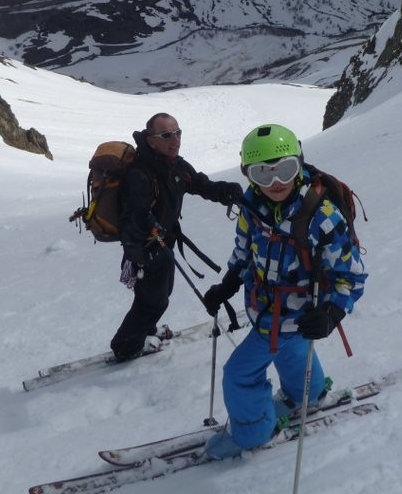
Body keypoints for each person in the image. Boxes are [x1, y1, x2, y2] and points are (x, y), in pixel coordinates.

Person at [201, 123, 367, 459]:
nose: (276, 183)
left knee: (239, 374)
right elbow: (244, 249)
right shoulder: (251, 208)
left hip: (292, 314)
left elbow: (352, 273)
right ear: (249, 176)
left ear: (300, 164)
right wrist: (229, 282)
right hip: (266, 306)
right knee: (291, 350)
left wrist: (333, 312)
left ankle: (253, 435)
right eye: (263, 173)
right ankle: (308, 394)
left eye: (285, 170)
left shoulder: (320, 217)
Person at [110, 113, 244, 362]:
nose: (176, 140)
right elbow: (133, 215)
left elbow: (200, 184)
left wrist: (225, 191)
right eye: (167, 135)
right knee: (154, 301)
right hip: (146, 248)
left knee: (156, 294)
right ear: (151, 141)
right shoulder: (139, 174)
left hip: (163, 242)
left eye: (178, 133)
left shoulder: (174, 165)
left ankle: (147, 331)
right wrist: (151, 227)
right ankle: (126, 346)